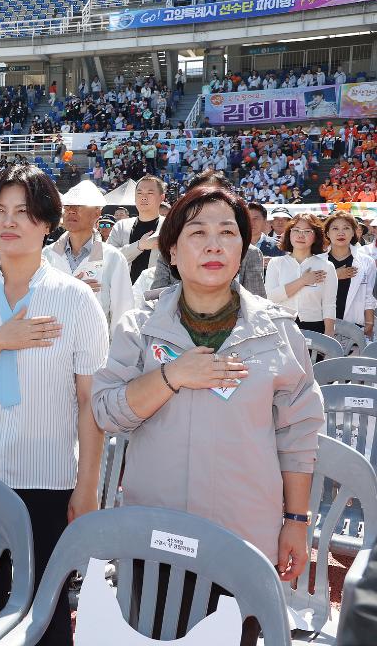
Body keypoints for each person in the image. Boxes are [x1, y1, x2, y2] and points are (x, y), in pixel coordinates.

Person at [92, 186, 323, 643]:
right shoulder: (139, 328)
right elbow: (106, 414)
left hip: (244, 542)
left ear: (244, 247)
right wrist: (170, 376)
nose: (214, 244)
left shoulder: (277, 332)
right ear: (172, 251)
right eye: (197, 232)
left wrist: (296, 522)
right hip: (155, 538)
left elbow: (299, 435)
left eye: (228, 232)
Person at [0, 164, 109, 646]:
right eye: (0, 211)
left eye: (25, 212)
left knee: (44, 614)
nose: (9, 223)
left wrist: (88, 485)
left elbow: (91, 400)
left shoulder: (75, 299)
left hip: (47, 479)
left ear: (48, 223)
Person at [44, 181, 133, 336]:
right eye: (67, 207)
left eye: (79, 206)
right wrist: (71, 291)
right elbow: (36, 303)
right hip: (54, 347)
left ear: (97, 213)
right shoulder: (46, 256)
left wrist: (117, 357)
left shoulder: (113, 258)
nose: (71, 211)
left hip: (96, 349)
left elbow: (122, 314)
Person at [265, 213, 336, 336]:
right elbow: (271, 297)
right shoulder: (276, 263)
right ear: (289, 234)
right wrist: (302, 281)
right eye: (296, 230)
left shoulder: (326, 266)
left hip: (314, 327)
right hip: (281, 325)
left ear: (316, 236)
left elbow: (329, 304)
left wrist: (329, 333)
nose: (300, 235)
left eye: (307, 231)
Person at [324, 212, 376, 340]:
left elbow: (369, 295)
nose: (341, 233)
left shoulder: (366, 261)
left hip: (354, 325)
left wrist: (369, 323)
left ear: (353, 232)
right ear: (327, 233)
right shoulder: (317, 261)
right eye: (335, 228)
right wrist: (334, 276)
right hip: (322, 323)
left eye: (346, 228)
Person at [108, 176, 166, 283]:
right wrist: (140, 246)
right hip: (123, 292)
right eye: (139, 193)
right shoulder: (121, 226)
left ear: (162, 197)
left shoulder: (170, 226)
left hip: (157, 293)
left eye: (150, 193)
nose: (143, 197)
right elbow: (110, 258)